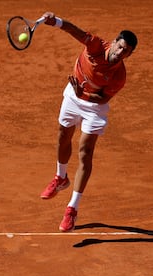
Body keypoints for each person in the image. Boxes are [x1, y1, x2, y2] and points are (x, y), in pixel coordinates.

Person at [39, 12, 138, 232]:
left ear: (129, 55)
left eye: (126, 52)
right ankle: (60, 177)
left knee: (85, 151)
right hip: (74, 96)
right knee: (63, 136)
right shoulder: (95, 46)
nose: (121, 53)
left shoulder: (119, 75)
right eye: (120, 47)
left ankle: (72, 209)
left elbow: (102, 98)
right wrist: (55, 21)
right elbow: (76, 31)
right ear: (113, 43)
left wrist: (81, 93)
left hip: (94, 108)